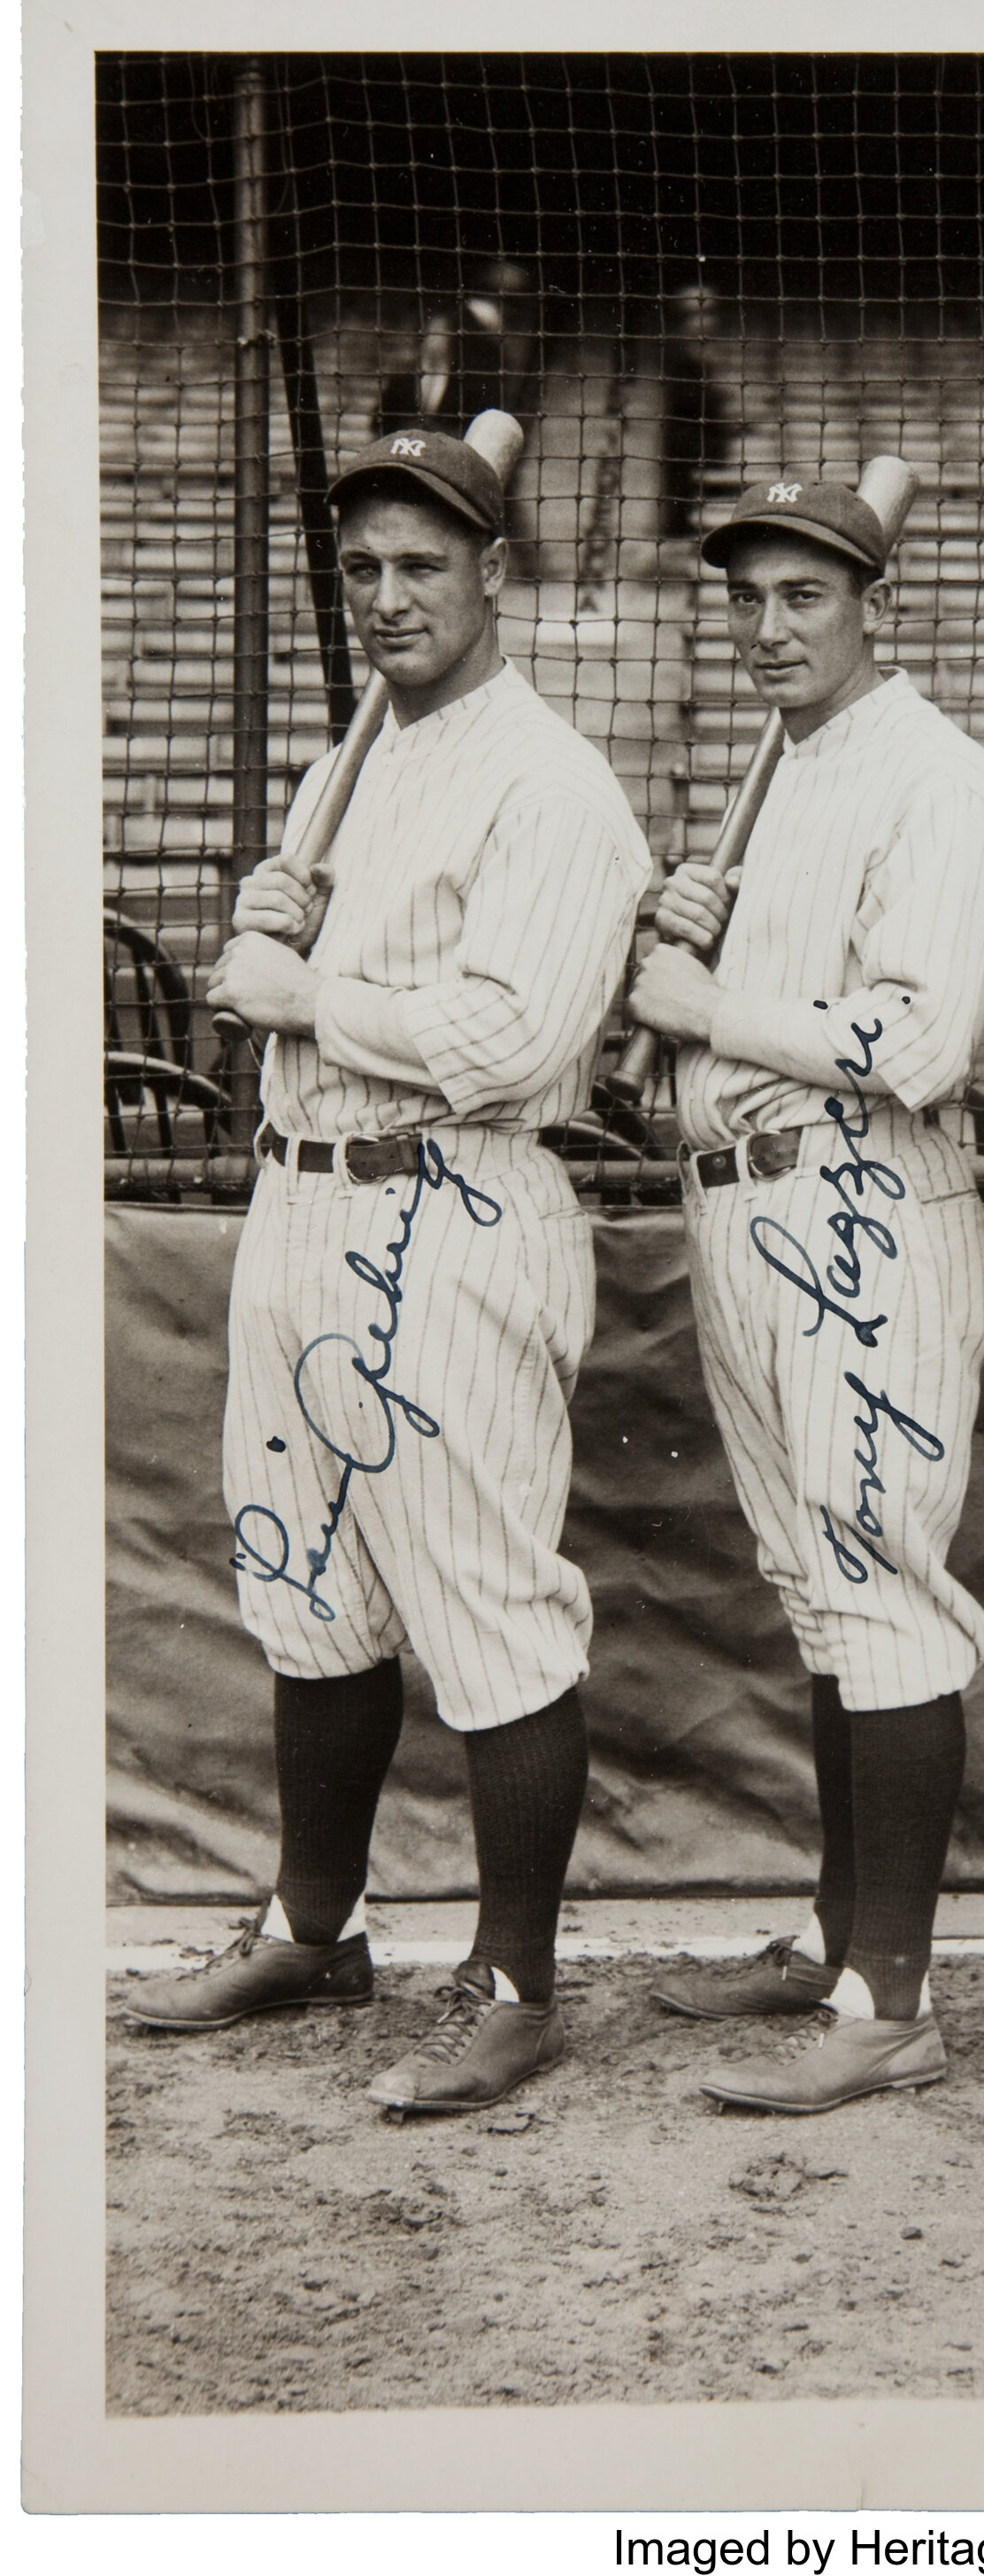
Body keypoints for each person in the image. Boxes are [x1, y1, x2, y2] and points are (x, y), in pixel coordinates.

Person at [125, 428, 652, 2120]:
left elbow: (515, 1037)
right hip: (305, 1202)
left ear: (496, 571)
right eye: (361, 568)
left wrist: (301, 995)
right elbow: (341, 977)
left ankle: (511, 1979)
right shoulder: (356, 763)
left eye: (424, 562)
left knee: (487, 1603)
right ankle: (318, 1920)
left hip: (453, 1207)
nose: (386, 597)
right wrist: (287, 914)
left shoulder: (554, 782)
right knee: (305, 1581)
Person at [626, 475, 984, 2116]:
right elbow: (738, 1016)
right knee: (818, 1583)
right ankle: (842, 1929)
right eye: (750, 600)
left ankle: (893, 1999)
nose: (770, 627)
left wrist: (719, 998)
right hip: (746, 1208)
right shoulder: (782, 771)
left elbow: (920, 1042)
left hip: (864, 1209)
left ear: (876, 604)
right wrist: (685, 956)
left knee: (883, 1587)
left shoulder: (943, 774)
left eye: (806, 596)